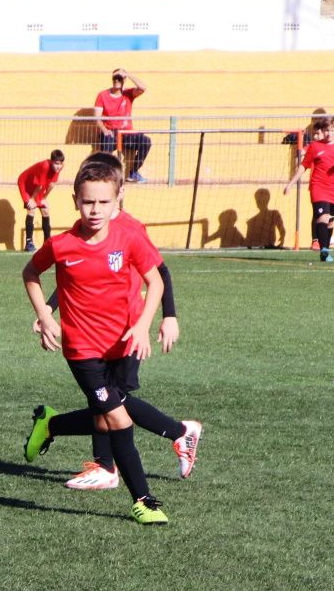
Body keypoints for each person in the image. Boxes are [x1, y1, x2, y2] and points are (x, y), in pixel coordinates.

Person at [25, 155, 199, 490]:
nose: (95, 208)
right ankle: (103, 464)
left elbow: (159, 273)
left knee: (111, 400)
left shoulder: (130, 229)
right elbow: (78, 275)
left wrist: (169, 316)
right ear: (77, 199)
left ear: (118, 194)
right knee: (105, 400)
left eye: (104, 200)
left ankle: (176, 433)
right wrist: (48, 310)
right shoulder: (77, 236)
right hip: (91, 333)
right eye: (88, 200)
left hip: (128, 331)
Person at [283, 115, 334, 263]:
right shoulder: (315, 147)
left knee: (330, 221)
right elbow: (304, 166)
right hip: (319, 186)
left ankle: (326, 250)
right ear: (322, 131)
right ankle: (323, 249)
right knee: (322, 217)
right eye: (326, 130)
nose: (329, 133)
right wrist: (291, 183)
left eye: (332, 130)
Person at [94, 69, 151, 183]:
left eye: (119, 78)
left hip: (127, 132)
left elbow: (143, 87)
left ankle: (133, 172)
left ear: (124, 80)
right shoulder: (102, 95)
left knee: (146, 141)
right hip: (111, 131)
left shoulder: (128, 94)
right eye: (115, 77)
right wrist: (105, 130)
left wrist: (128, 74)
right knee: (106, 147)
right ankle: (106, 176)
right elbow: (97, 118)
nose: (117, 80)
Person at [18, 150, 65, 251]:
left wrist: (44, 199)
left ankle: (47, 243)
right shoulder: (45, 166)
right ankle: (29, 243)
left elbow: (52, 184)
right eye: (56, 164)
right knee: (31, 208)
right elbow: (40, 186)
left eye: (60, 164)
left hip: (37, 186)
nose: (59, 166)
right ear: (51, 161)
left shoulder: (60, 167)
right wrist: (31, 200)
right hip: (26, 184)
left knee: (45, 210)